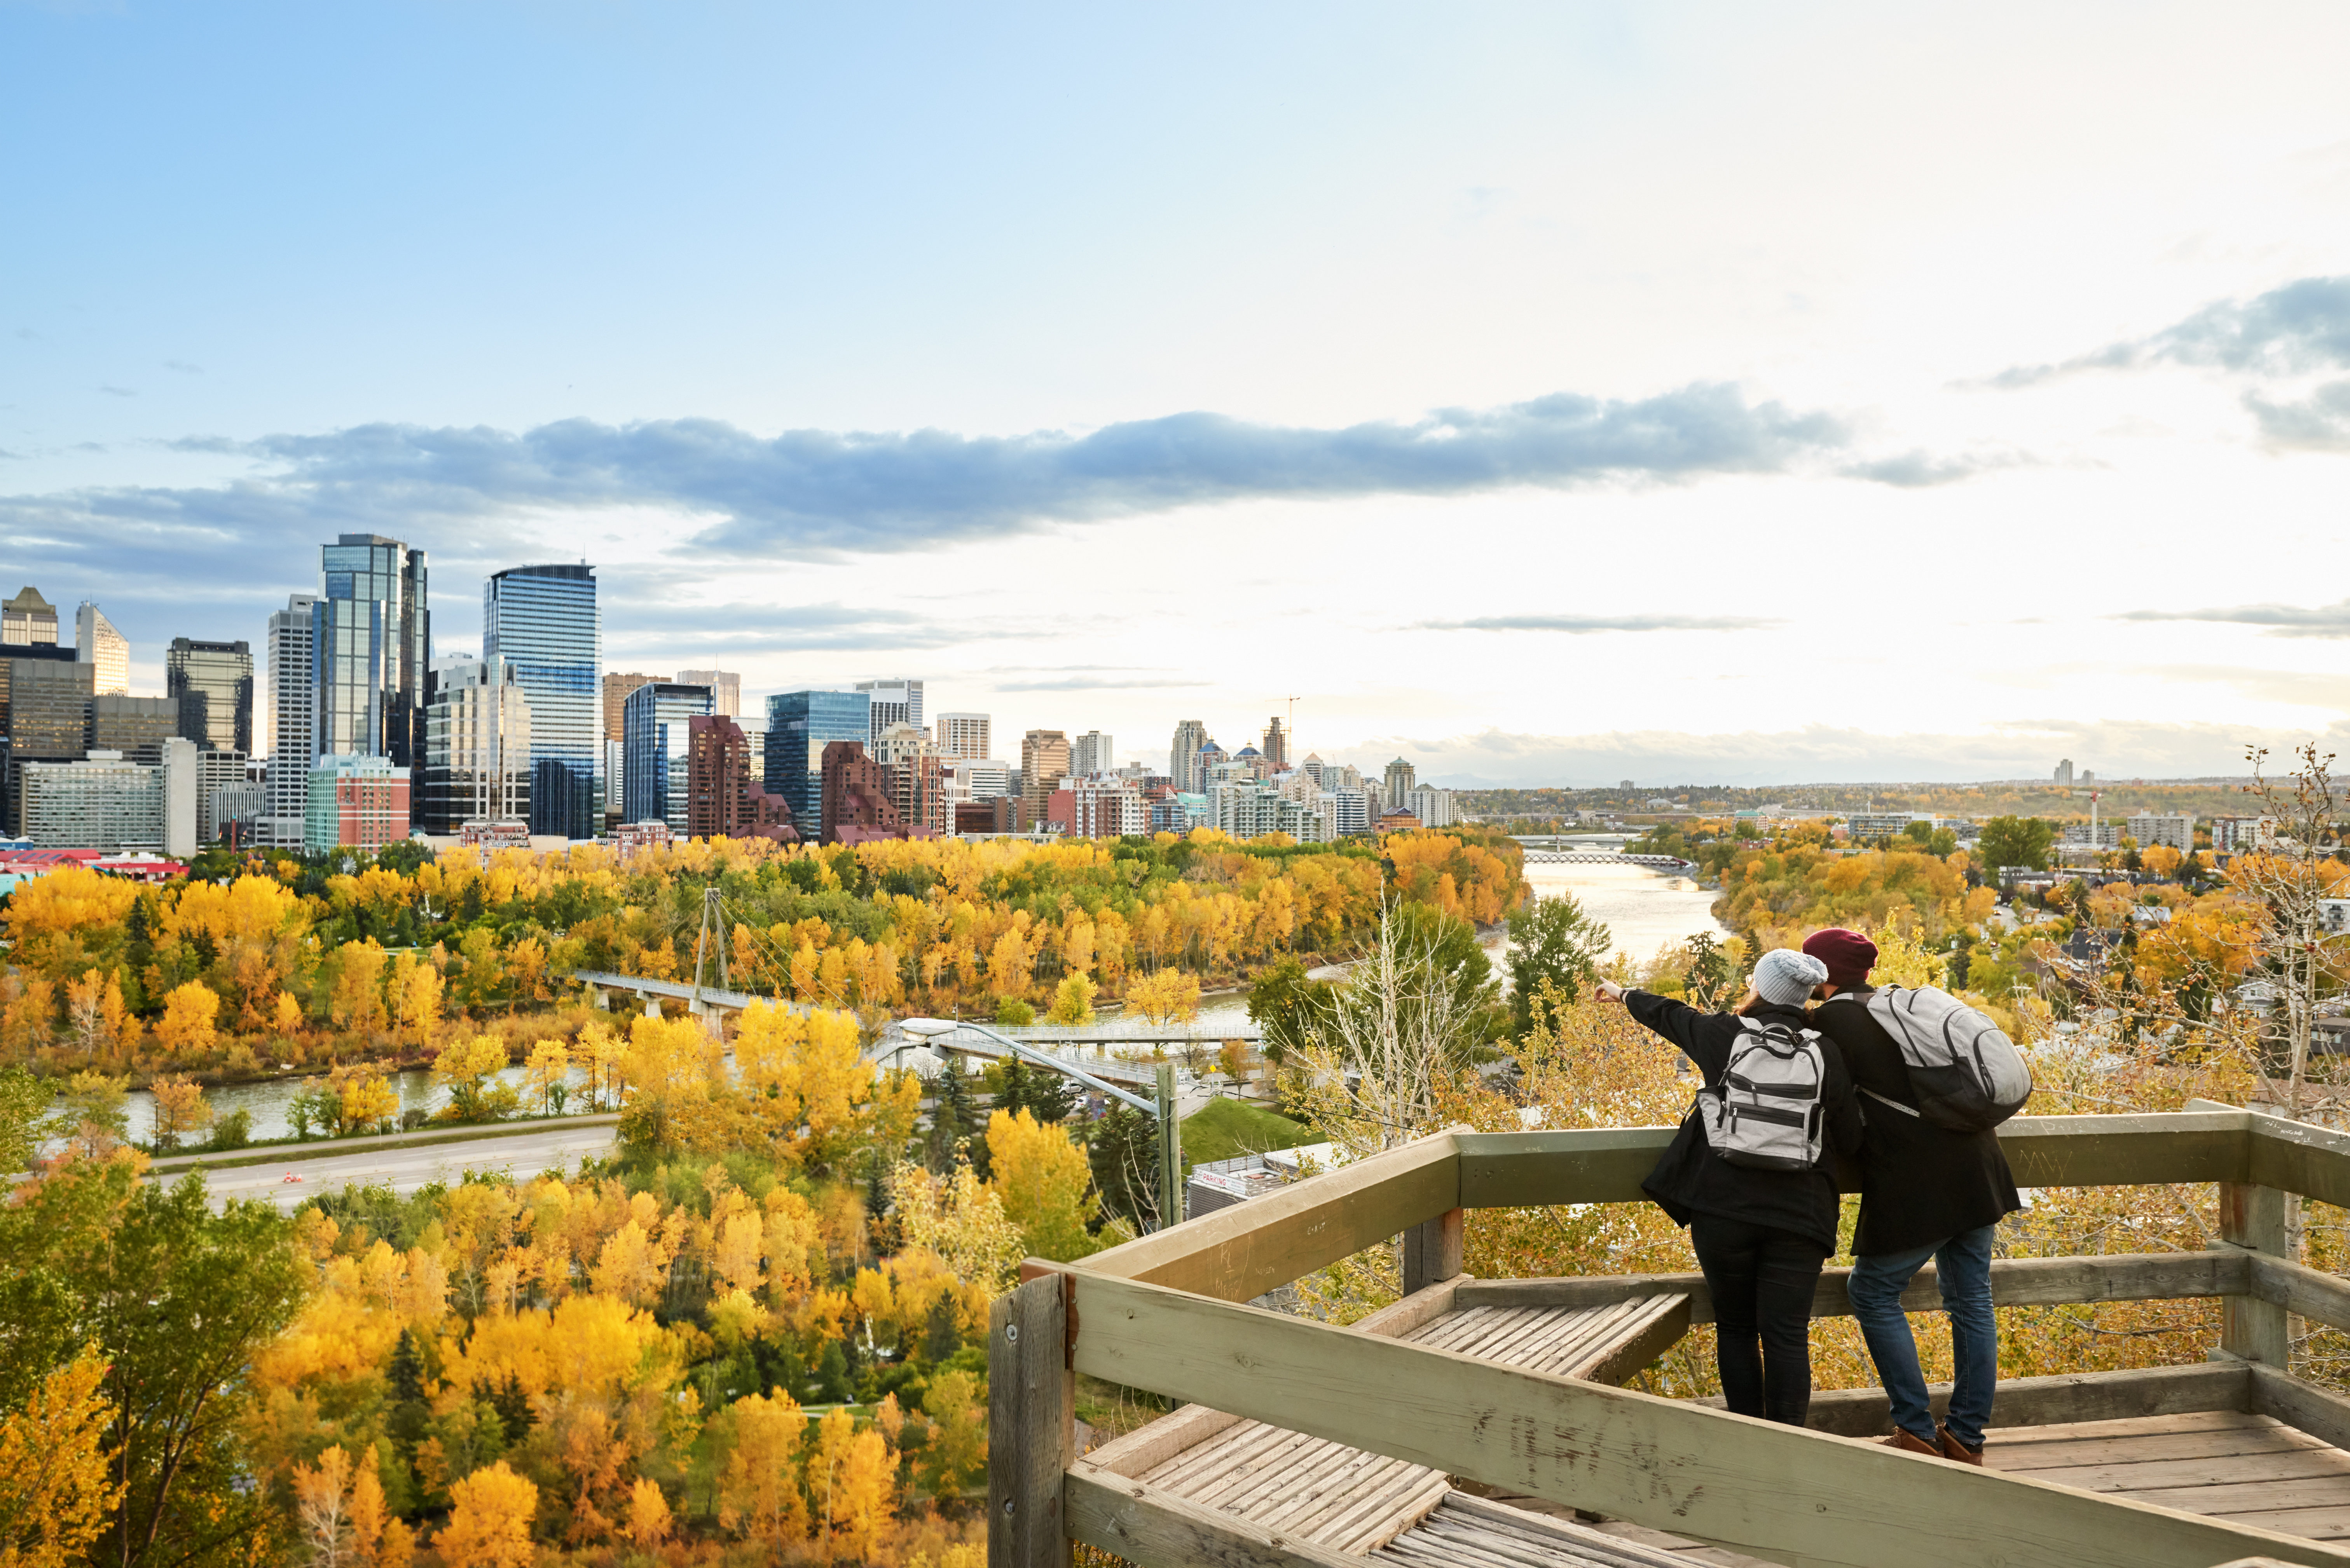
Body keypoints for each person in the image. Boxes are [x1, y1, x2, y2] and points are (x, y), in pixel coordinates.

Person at [1599, 948, 1861, 1426]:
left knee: (1736, 1328)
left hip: (1723, 1208)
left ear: (1761, 988)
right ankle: (1789, 1448)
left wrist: (1622, 994)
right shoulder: (1826, 1051)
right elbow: (1850, 1136)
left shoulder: (1724, 1034)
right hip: (1800, 1216)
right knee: (1787, 1336)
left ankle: (1747, 1440)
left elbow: (1670, 1015)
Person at [1801, 927, 2022, 1464]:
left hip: (1921, 1177)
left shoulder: (1833, 1021)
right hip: (1978, 1164)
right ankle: (1965, 1437)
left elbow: (1834, 1103)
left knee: (1872, 1291)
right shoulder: (1894, 1007)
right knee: (1970, 1299)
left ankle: (1916, 1430)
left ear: (1822, 975)